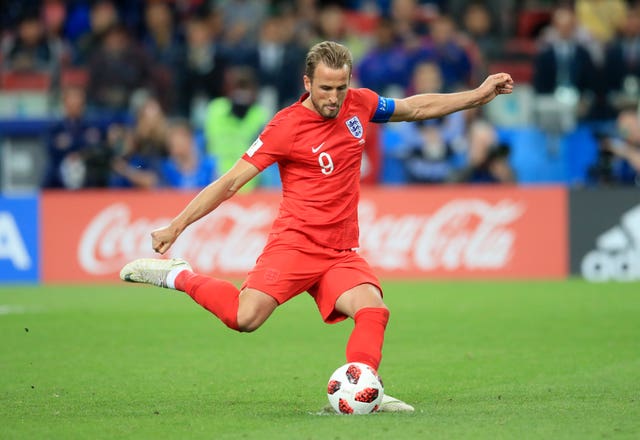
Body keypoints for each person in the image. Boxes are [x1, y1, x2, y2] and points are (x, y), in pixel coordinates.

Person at [120, 41, 513, 412]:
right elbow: (230, 182)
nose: (334, 97)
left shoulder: (359, 104)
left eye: (341, 87)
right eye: (326, 87)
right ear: (307, 83)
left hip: (339, 252)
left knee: (373, 310)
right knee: (245, 318)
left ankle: (366, 387)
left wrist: (478, 95)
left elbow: (414, 108)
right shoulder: (285, 127)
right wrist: (177, 225)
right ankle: (180, 276)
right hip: (294, 245)